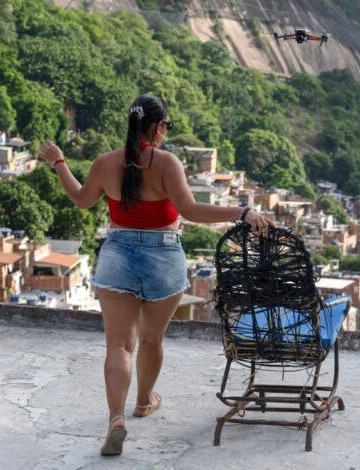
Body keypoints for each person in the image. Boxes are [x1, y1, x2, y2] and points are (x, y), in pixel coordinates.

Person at [40, 95, 274, 456]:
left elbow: (82, 199)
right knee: (150, 339)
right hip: (163, 255)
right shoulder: (166, 163)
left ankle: (116, 419)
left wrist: (58, 162)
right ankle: (144, 400)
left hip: (117, 253)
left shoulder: (105, 163)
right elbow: (190, 210)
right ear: (158, 126)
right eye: (167, 125)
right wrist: (241, 213)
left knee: (119, 345)